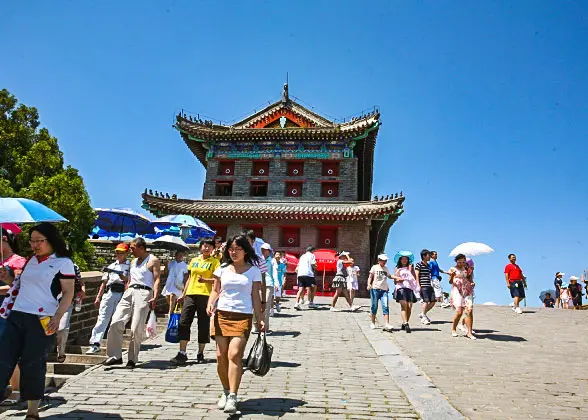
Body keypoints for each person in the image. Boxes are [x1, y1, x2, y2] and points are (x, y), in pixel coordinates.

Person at [0, 223, 76, 420]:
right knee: (2, 358)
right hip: (16, 315)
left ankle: (32, 410)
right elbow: (21, 287)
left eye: (39, 241)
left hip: (42, 318)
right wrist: (8, 278)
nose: (34, 245)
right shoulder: (30, 261)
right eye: (31, 241)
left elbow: (68, 292)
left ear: (50, 240)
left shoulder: (63, 262)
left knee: (32, 362)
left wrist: (58, 317)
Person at [207, 233, 264, 415]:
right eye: (230, 249)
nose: (233, 252)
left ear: (245, 251)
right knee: (220, 356)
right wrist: (210, 302)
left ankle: (233, 395)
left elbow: (256, 296)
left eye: (237, 249)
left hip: (243, 316)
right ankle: (225, 390)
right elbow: (215, 290)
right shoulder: (222, 268)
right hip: (221, 314)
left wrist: (260, 318)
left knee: (234, 354)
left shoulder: (254, 271)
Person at [104, 237, 161, 368]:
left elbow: (157, 279)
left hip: (144, 292)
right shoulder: (133, 262)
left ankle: (132, 358)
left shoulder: (153, 260)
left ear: (141, 248)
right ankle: (115, 355)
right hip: (130, 291)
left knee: (136, 327)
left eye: (133, 248)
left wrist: (155, 296)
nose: (131, 251)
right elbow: (130, 278)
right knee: (115, 322)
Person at [170, 239, 220, 365]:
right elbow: (189, 278)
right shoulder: (194, 261)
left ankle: (200, 352)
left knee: (203, 324)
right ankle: (182, 352)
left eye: (209, 246)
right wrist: (183, 294)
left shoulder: (215, 262)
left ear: (213, 248)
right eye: (204, 245)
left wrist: (206, 280)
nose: (206, 248)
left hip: (205, 295)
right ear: (200, 247)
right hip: (191, 294)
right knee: (184, 321)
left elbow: (217, 281)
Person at [87, 243, 130, 354]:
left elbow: (128, 280)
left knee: (118, 320)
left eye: (121, 252)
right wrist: (98, 296)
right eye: (117, 252)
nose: (119, 254)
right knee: (102, 317)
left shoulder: (131, 266)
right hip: (110, 292)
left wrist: (123, 277)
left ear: (126, 253)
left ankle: (116, 344)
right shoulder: (111, 266)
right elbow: (104, 283)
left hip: (122, 293)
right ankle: (95, 343)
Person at [0, 227, 27, 402]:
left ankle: (16, 390)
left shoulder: (18, 261)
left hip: (8, 309)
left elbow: (17, 285)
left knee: (8, 350)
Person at [55, 264, 85, 363]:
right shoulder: (45, 263)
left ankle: (61, 351)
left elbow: (81, 282)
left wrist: (82, 291)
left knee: (62, 327)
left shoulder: (73, 266)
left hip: (66, 301)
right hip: (47, 302)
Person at [448, 254, 476, 339]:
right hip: (457, 291)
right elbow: (450, 282)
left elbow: (470, 279)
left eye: (463, 262)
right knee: (459, 312)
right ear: (456, 261)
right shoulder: (453, 269)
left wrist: (472, 282)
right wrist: (452, 275)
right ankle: (453, 329)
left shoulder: (467, 269)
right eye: (460, 262)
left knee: (469, 310)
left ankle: (469, 332)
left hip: (467, 290)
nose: (462, 263)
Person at [244, 230, 267, 333]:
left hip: (253, 292)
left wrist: (263, 301)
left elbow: (263, 280)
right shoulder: (233, 257)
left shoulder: (259, 260)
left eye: (247, 240)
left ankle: (254, 324)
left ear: (253, 241)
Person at [367, 254, 397, 331]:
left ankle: (387, 323)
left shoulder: (386, 268)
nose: (384, 262)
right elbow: (370, 277)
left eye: (385, 260)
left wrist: (397, 277)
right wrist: (369, 284)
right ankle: (373, 323)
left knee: (385, 306)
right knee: (374, 306)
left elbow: (389, 276)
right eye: (383, 260)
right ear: (379, 260)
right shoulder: (375, 267)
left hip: (384, 290)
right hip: (375, 289)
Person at [393, 254, 418, 333]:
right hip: (401, 288)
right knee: (404, 305)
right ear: (400, 260)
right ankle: (406, 324)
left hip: (409, 288)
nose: (404, 260)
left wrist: (411, 270)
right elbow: (395, 280)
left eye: (406, 259)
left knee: (409, 307)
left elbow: (414, 278)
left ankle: (405, 322)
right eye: (402, 259)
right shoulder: (397, 268)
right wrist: (399, 280)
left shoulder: (410, 268)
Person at [162, 250, 189, 316]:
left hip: (178, 283)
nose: (180, 257)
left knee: (172, 295)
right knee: (167, 296)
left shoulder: (184, 265)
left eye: (181, 255)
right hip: (170, 282)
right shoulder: (171, 263)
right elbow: (166, 273)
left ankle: (170, 312)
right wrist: (166, 265)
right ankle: (173, 307)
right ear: (175, 256)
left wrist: (184, 285)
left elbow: (186, 276)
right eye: (179, 255)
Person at [415, 249, 436, 325]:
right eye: (428, 255)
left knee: (433, 301)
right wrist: (418, 285)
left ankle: (423, 313)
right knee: (426, 301)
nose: (429, 256)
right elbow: (416, 275)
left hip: (429, 285)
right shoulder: (419, 264)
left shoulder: (428, 265)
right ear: (424, 256)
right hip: (423, 286)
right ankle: (423, 317)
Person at [260, 243, 276, 333]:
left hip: (269, 283)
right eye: (262, 249)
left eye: (265, 249)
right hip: (260, 284)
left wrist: (276, 283)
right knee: (257, 305)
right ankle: (257, 326)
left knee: (266, 306)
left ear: (269, 251)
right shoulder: (259, 260)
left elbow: (274, 273)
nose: (263, 251)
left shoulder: (272, 261)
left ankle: (265, 328)